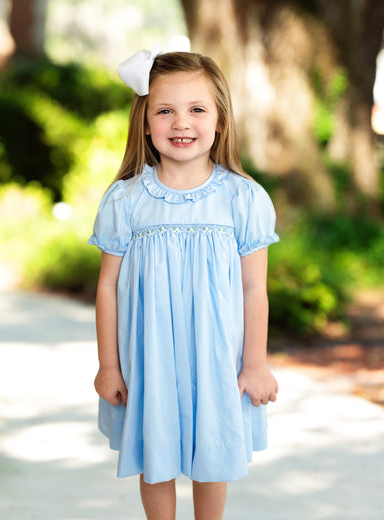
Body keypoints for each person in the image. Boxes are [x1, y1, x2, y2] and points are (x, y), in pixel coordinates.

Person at [88, 45, 280, 520]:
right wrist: (108, 366)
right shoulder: (126, 199)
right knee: (154, 457)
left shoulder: (243, 198)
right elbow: (107, 288)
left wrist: (254, 364)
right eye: (165, 111)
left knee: (212, 451)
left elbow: (255, 288)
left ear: (219, 119)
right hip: (149, 356)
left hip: (216, 357)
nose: (181, 123)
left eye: (197, 109)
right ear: (146, 122)